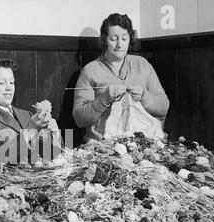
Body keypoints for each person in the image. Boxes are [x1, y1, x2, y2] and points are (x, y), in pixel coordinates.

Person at [72, 13, 170, 141]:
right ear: (104, 40)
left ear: (130, 38)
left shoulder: (142, 65)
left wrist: (144, 96)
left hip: (144, 143)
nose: (120, 45)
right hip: (103, 147)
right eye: (113, 39)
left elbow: (163, 107)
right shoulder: (90, 71)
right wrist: (104, 98)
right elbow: (79, 119)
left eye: (124, 39)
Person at [0, 59, 61, 165]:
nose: (9, 88)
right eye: (1, 83)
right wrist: (31, 130)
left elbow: (51, 154)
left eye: (12, 82)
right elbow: (1, 156)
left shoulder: (27, 115)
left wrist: (53, 131)